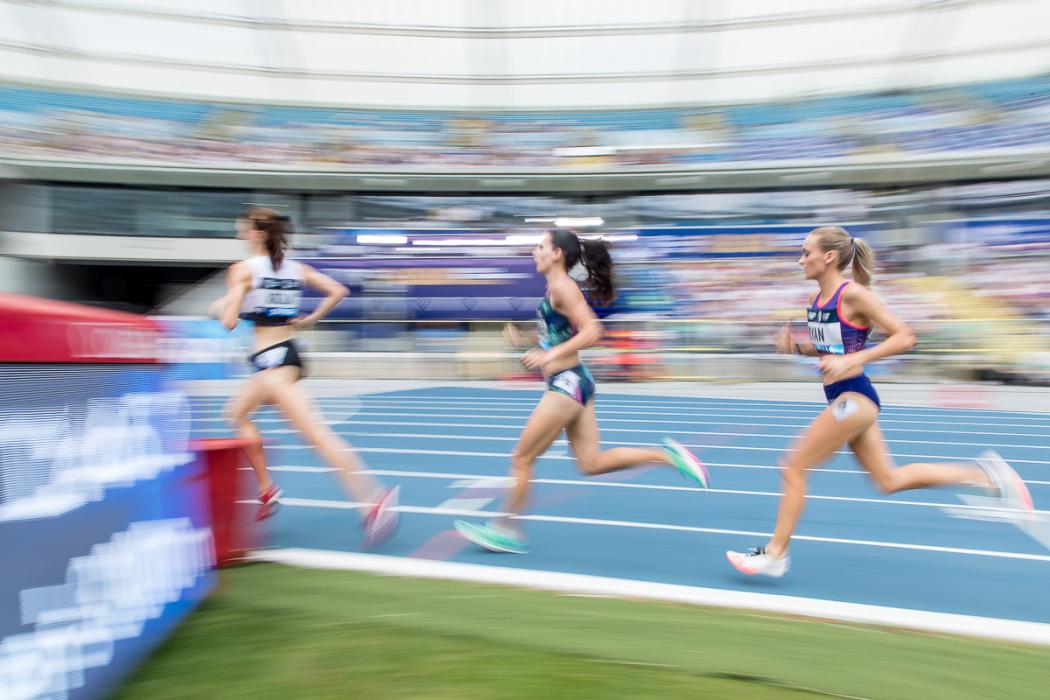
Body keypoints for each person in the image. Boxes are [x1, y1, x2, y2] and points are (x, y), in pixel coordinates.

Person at [727, 225, 1033, 577]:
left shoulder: (853, 294)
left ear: (829, 257)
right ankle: (986, 476)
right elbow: (831, 347)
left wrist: (855, 360)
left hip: (855, 396)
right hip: (842, 397)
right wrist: (795, 348)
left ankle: (775, 553)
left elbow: (905, 336)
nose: (800, 260)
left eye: (806, 252)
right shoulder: (815, 302)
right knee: (888, 480)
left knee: (793, 465)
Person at [455, 229, 709, 554]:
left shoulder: (562, 286)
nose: (534, 251)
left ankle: (507, 530)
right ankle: (667, 456)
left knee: (521, 458)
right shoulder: (555, 289)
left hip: (567, 384)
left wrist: (547, 356)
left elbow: (593, 329)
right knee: (590, 463)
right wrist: (529, 341)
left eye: (540, 246)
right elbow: (560, 336)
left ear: (557, 253)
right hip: (576, 381)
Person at [214, 207, 398, 547]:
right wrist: (310, 319)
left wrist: (227, 304)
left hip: (273, 362)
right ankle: (267, 488)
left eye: (244, 228)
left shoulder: (241, 270)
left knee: (316, 435)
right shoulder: (296, 269)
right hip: (284, 357)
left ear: (257, 233)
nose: (241, 232)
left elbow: (227, 322)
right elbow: (338, 291)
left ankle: (374, 499)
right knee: (236, 414)